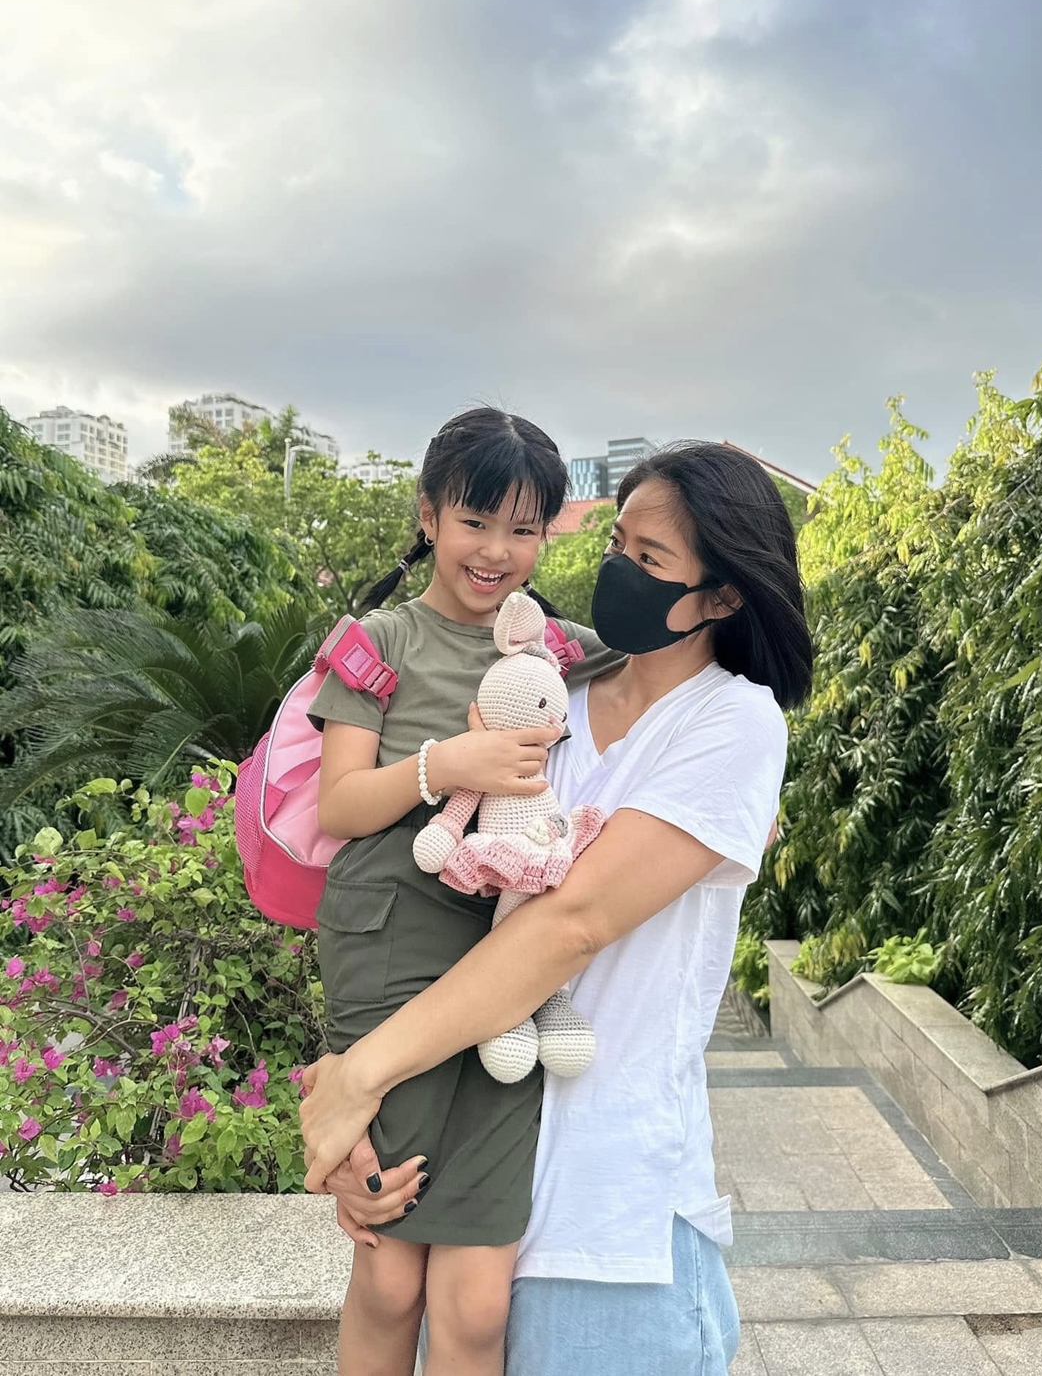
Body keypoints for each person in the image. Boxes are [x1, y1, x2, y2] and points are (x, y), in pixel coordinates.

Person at [301, 440, 814, 1375]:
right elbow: (427, 893)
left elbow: (569, 923)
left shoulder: (732, 721)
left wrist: (359, 1078)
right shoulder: (549, 697)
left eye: (649, 559)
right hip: (477, 1175)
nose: (618, 570)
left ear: (723, 596)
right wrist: (360, 1115)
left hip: (611, 1224)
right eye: (616, 544)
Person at [307, 406, 622, 1376]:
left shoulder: (562, 648)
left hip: (506, 961)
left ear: (547, 533)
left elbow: (674, 678)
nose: (495, 551)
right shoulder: (379, 641)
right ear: (429, 516)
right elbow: (340, 805)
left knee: (478, 1304)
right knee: (391, 1274)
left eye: (522, 528)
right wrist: (444, 764)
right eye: (474, 522)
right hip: (391, 941)